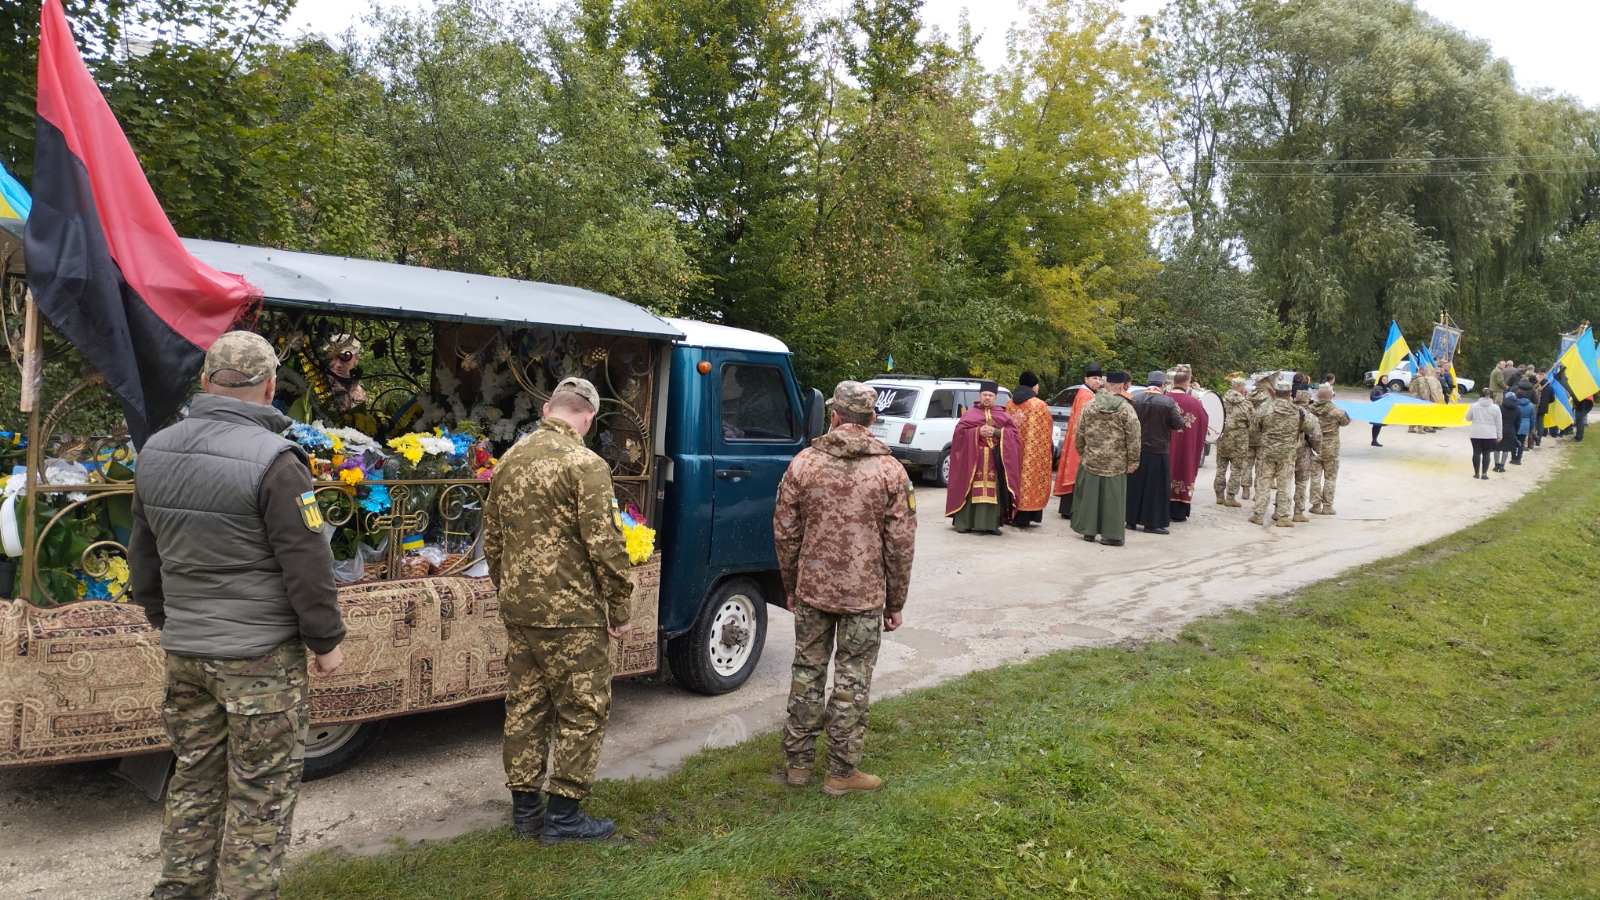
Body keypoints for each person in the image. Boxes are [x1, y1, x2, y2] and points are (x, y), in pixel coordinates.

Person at [129, 331, 347, 900]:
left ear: (206, 382)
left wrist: (163, 617)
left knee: (194, 781)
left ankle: (179, 889)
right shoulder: (277, 461)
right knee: (261, 792)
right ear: (271, 387)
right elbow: (307, 560)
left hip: (187, 649)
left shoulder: (157, 450)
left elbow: (143, 552)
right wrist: (326, 640)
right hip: (258, 658)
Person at [484, 376, 633, 843]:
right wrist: (620, 607)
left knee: (525, 706)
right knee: (582, 709)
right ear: (587, 416)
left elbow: (491, 538)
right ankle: (565, 817)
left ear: (549, 408)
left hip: (521, 609)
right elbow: (605, 545)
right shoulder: (585, 464)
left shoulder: (509, 460)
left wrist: (509, 589)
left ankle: (526, 813)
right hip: (572, 615)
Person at [774, 381, 917, 796]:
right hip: (863, 595)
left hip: (813, 591)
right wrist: (896, 601)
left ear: (834, 415)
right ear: (872, 419)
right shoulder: (891, 471)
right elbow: (902, 542)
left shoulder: (803, 463)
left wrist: (791, 584)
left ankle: (798, 764)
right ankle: (841, 771)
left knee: (807, 671)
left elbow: (785, 531)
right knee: (852, 678)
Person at [1070, 371, 1140, 546]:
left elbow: (1079, 433)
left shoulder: (1090, 405)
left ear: (1106, 383)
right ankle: (1112, 535)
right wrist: (1133, 461)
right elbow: (1134, 437)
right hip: (1116, 463)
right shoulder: (1126, 408)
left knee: (1090, 498)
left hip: (1091, 459)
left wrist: (1084, 452)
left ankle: (1088, 530)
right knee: (1113, 500)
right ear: (1121, 385)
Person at [945, 382, 1021, 535]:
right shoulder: (970, 414)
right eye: (985, 395)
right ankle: (965, 522)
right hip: (974, 458)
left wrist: (996, 432)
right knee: (970, 489)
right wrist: (977, 432)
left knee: (994, 490)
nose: (987, 398)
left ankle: (991, 524)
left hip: (994, 458)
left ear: (995, 397)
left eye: (990, 395)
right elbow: (959, 434)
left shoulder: (1003, 415)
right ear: (980, 396)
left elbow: (1014, 435)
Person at [1127, 370, 1185, 534]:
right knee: (1156, 489)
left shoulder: (1135, 398)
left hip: (1137, 448)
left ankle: (1130, 520)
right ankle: (1151, 523)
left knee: (1135, 486)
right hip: (1158, 450)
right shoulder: (1167, 402)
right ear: (1162, 384)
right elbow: (1178, 424)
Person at [1052, 364, 1104, 518]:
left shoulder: (1085, 393)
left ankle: (1068, 508)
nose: (1097, 381)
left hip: (1076, 438)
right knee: (1076, 473)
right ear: (1086, 379)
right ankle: (1071, 509)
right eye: (1094, 378)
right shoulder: (1086, 395)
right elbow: (1087, 421)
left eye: (1099, 378)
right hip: (1081, 440)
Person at [1248, 375, 1300, 528]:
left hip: (1267, 452)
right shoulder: (1298, 410)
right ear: (1290, 393)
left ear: (1276, 392)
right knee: (1284, 484)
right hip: (1287, 454)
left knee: (1263, 482)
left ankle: (1258, 515)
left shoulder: (1264, 409)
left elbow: (1253, 428)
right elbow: (1311, 428)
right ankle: (1283, 517)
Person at [1004, 372, 1054, 527]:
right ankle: (1026, 517)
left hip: (1013, 451)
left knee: (1013, 479)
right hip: (1032, 454)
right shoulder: (1038, 405)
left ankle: (1011, 513)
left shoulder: (1010, 403)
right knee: (1029, 482)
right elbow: (1047, 429)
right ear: (1034, 385)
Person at [1166, 367, 1210, 523]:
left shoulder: (1164, 398)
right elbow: (1204, 421)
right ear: (1187, 383)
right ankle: (1178, 511)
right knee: (1182, 470)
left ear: (1173, 382)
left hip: (1166, 448)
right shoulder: (1195, 403)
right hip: (1186, 449)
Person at [1308, 384, 1350, 515]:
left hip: (1314, 447)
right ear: (1331, 396)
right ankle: (1327, 506)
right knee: (1330, 478)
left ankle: (1315, 505)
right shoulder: (1337, 411)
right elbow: (1346, 422)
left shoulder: (1309, 410)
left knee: (1315, 477)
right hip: (1331, 448)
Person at [1213, 377, 1251, 508]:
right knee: (1236, 470)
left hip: (1223, 439)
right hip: (1239, 442)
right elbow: (1253, 422)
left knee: (1221, 468)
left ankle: (1219, 496)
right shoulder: (1246, 404)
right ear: (1240, 387)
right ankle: (1230, 497)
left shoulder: (1221, 401)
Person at [1290, 388, 1323, 522]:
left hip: (1286, 452)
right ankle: (1298, 512)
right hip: (1302, 453)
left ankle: (1279, 510)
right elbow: (1315, 437)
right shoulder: (1308, 416)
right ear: (1308, 401)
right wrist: (1318, 450)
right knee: (1301, 483)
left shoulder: (1286, 411)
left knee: (1284, 482)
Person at [1242, 377, 1272, 499]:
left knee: (1247, 464)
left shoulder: (1249, 396)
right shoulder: (1269, 399)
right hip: (1262, 436)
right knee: (1261, 465)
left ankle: (1245, 490)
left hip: (1249, 434)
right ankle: (1257, 491)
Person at [1467, 387, 1502, 480]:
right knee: (1487, 454)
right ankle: (1484, 474)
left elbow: (1468, 418)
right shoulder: (1496, 407)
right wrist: (1499, 435)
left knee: (1476, 452)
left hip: (1476, 433)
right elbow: (1499, 423)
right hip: (1490, 434)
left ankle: (1476, 473)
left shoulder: (1474, 406)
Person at [1496, 389, 1521, 472]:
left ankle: (1496, 465)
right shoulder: (1517, 409)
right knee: (1506, 449)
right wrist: (1516, 431)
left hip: (1500, 428)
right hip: (1511, 430)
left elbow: (1496, 419)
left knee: (1497, 448)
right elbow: (1518, 422)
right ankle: (1502, 466)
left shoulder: (1500, 407)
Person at [1368, 381, 1386, 447]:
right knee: (1376, 425)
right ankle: (1374, 440)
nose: (1385, 381)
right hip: (1377, 409)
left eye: (1386, 379)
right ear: (1381, 380)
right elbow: (1372, 398)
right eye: (1384, 379)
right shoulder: (1376, 388)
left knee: (1379, 425)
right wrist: (1382, 396)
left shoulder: (1387, 389)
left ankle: (1375, 440)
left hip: (1383, 410)